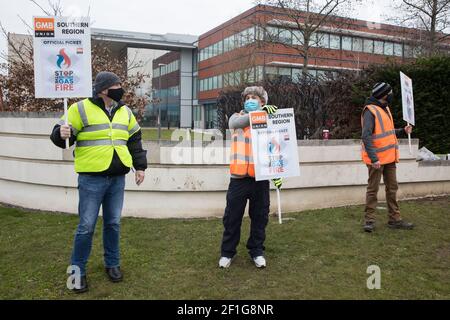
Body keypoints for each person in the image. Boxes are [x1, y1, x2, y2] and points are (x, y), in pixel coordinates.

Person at [50, 71, 148, 293]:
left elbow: (135, 140)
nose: (120, 88)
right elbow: (60, 136)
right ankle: (77, 272)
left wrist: (140, 166)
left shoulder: (125, 111)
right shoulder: (80, 108)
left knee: (113, 223)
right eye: (116, 85)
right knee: (86, 227)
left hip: (117, 178)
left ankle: (112, 265)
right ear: (103, 89)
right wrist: (61, 133)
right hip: (91, 178)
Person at [219, 86, 282, 269]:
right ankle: (227, 253)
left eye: (254, 97)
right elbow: (236, 124)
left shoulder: (269, 120)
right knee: (232, 218)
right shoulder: (236, 118)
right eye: (247, 98)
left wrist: (278, 173)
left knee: (260, 217)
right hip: (238, 179)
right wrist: (261, 113)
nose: (249, 100)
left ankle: (257, 251)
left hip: (260, 179)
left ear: (263, 102)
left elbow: (277, 146)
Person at [361, 82, 414, 233]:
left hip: (389, 158)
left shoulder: (385, 109)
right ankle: (369, 221)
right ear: (384, 95)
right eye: (390, 92)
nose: (392, 94)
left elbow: (388, 132)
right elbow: (366, 136)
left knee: (392, 189)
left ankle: (395, 219)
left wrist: (403, 130)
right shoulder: (370, 111)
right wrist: (374, 158)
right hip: (376, 160)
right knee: (373, 189)